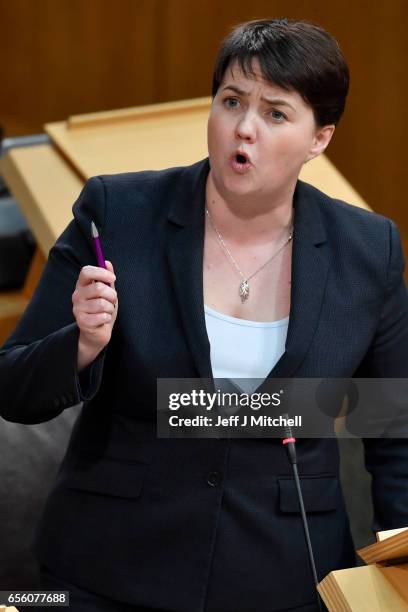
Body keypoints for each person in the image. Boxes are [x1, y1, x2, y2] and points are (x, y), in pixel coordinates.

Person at [1, 17, 407, 612]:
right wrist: (82, 344)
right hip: (108, 567)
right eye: (231, 101)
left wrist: (400, 564)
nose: (244, 128)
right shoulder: (119, 212)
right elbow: (13, 384)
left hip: (291, 573)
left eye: (275, 113)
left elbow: (393, 426)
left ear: (319, 138)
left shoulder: (368, 249)